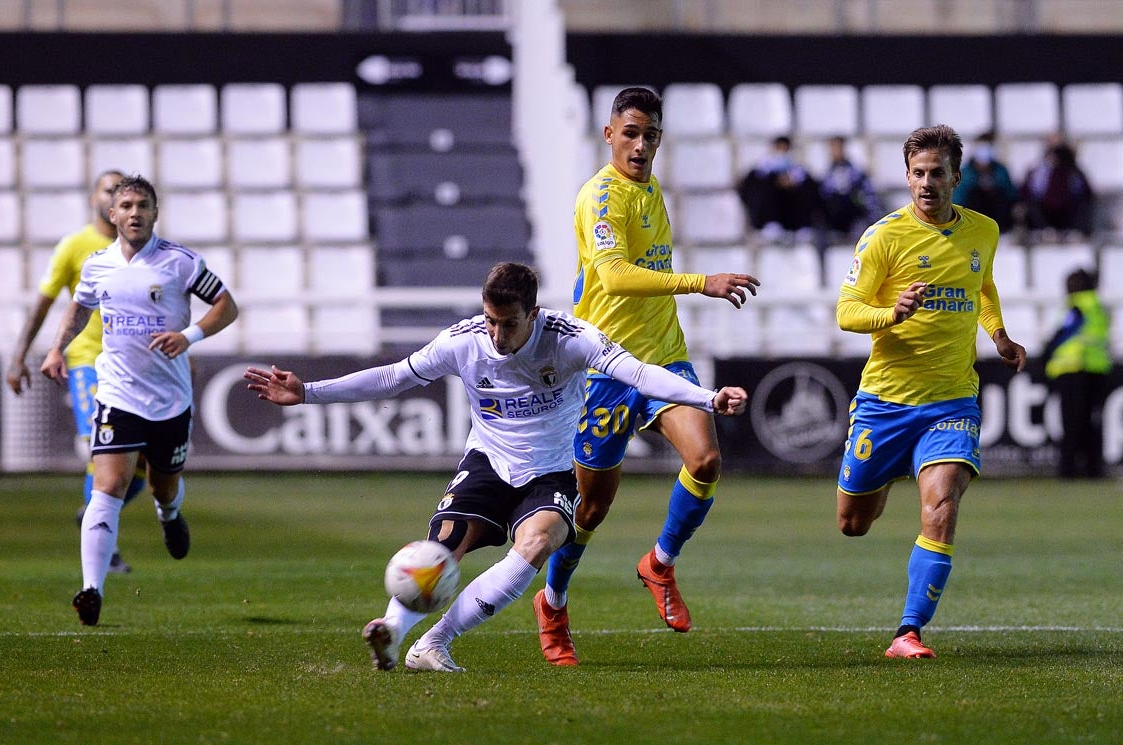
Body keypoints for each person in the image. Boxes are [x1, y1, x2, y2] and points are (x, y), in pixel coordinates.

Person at [243, 262, 748, 673]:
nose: (497, 333)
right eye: (490, 320)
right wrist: (307, 392)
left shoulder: (571, 339)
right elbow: (393, 378)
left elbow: (640, 373)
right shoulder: (464, 341)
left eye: (508, 323)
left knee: (539, 540)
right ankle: (393, 634)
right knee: (440, 551)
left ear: (533, 314)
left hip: (550, 472)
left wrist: (708, 398)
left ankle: (434, 643)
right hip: (487, 461)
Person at [536, 87, 760, 667]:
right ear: (609, 133)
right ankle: (553, 604)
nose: (640, 144)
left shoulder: (651, 189)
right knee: (589, 509)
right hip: (605, 366)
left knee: (706, 461)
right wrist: (699, 281)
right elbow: (612, 277)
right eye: (630, 132)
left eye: (650, 134)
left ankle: (659, 564)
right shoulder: (600, 197)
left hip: (663, 357)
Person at [835, 125, 1027, 659]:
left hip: (951, 400)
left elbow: (981, 285)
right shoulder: (882, 238)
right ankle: (895, 470)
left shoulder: (983, 231)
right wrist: (889, 312)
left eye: (936, 173)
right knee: (853, 524)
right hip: (885, 402)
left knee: (941, 505)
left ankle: (908, 632)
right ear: (906, 177)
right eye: (917, 173)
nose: (926, 183)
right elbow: (846, 311)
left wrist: (998, 334)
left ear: (955, 178)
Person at [40, 175, 239, 626]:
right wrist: (57, 349)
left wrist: (188, 336)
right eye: (126, 205)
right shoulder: (96, 265)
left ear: (154, 213)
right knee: (107, 486)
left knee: (162, 486)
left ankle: (169, 513)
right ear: (112, 215)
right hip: (117, 393)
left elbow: (227, 305)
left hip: (169, 399)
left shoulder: (180, 262)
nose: (134, 212)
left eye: (142, 205)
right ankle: (92, 589)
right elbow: (80, 306)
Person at [7, 170, 144, 575]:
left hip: (134, 366)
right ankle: (105, 540)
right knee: (100, 448)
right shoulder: (75, 247)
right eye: (108, 191)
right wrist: (20, 356)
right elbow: (43, 304)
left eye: (121, 193)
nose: (114, 198)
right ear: (95, 199)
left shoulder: (141, 250)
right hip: (87, 361)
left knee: (148, 465)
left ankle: (93, 511)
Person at [1039, 268, 1112, 478]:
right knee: (1092, 422)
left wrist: (1046, 354)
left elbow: (1064, 333)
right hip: (1097, 369)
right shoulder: (1098, 306)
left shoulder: (1077, 306)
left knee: (1071, 422)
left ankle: (1068, 469)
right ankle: (1094, 469)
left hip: (1074, 370)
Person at [738, 134, 823, 243]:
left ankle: (802, 226)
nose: (782, 152)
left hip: (791, 216)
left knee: (806, 186)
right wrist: (775, 181)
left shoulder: (798, 170)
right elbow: (746, 190)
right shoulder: (761, 169)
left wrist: (792, 182)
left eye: (785, 148)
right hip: (768, 215)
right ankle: (769, 223)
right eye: (779, 148)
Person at [1019, 135, 1096, 239]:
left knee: (1082, 204)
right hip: (1045, 211)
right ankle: (1044, 231)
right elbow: (1028, 191)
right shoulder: (1038, 171)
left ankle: (1075, 232)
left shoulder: (1073, 172)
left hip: (1067, 211)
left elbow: (1085, 192)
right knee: (1030, 204)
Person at [819, 135, 885, 245]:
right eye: (832, 149)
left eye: (837, 148)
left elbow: (868, 195)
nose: (835, 152)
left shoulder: (856, 172)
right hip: (834, 216)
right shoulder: (826, 174)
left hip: (853, 214)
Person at [953, 131, 1018, 234]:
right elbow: (958, 199)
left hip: (998, 221)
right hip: (971, 222)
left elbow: (1011, 195)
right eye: (982, 147)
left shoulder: (1001, 170)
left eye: (988, 147)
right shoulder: (965, 172)